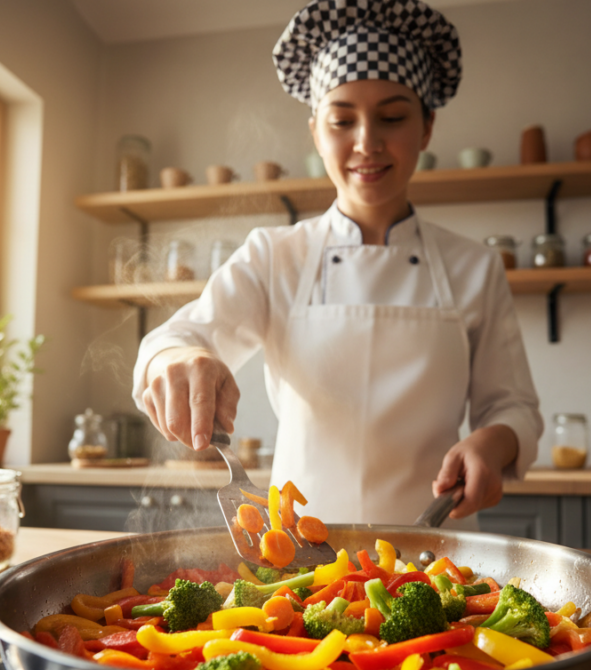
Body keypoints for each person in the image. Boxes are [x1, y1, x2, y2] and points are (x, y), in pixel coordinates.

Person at [133, 0, 542, 530]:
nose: (367, 142)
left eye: (392, 117)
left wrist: (494, 439)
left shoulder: (475, 267)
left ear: (427, 129)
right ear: (315, 133)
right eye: (342, 120)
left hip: (436, 557)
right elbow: (176, 338)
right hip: (297, 563)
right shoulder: (273, 254)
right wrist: (178, 357)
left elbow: (515, 409)